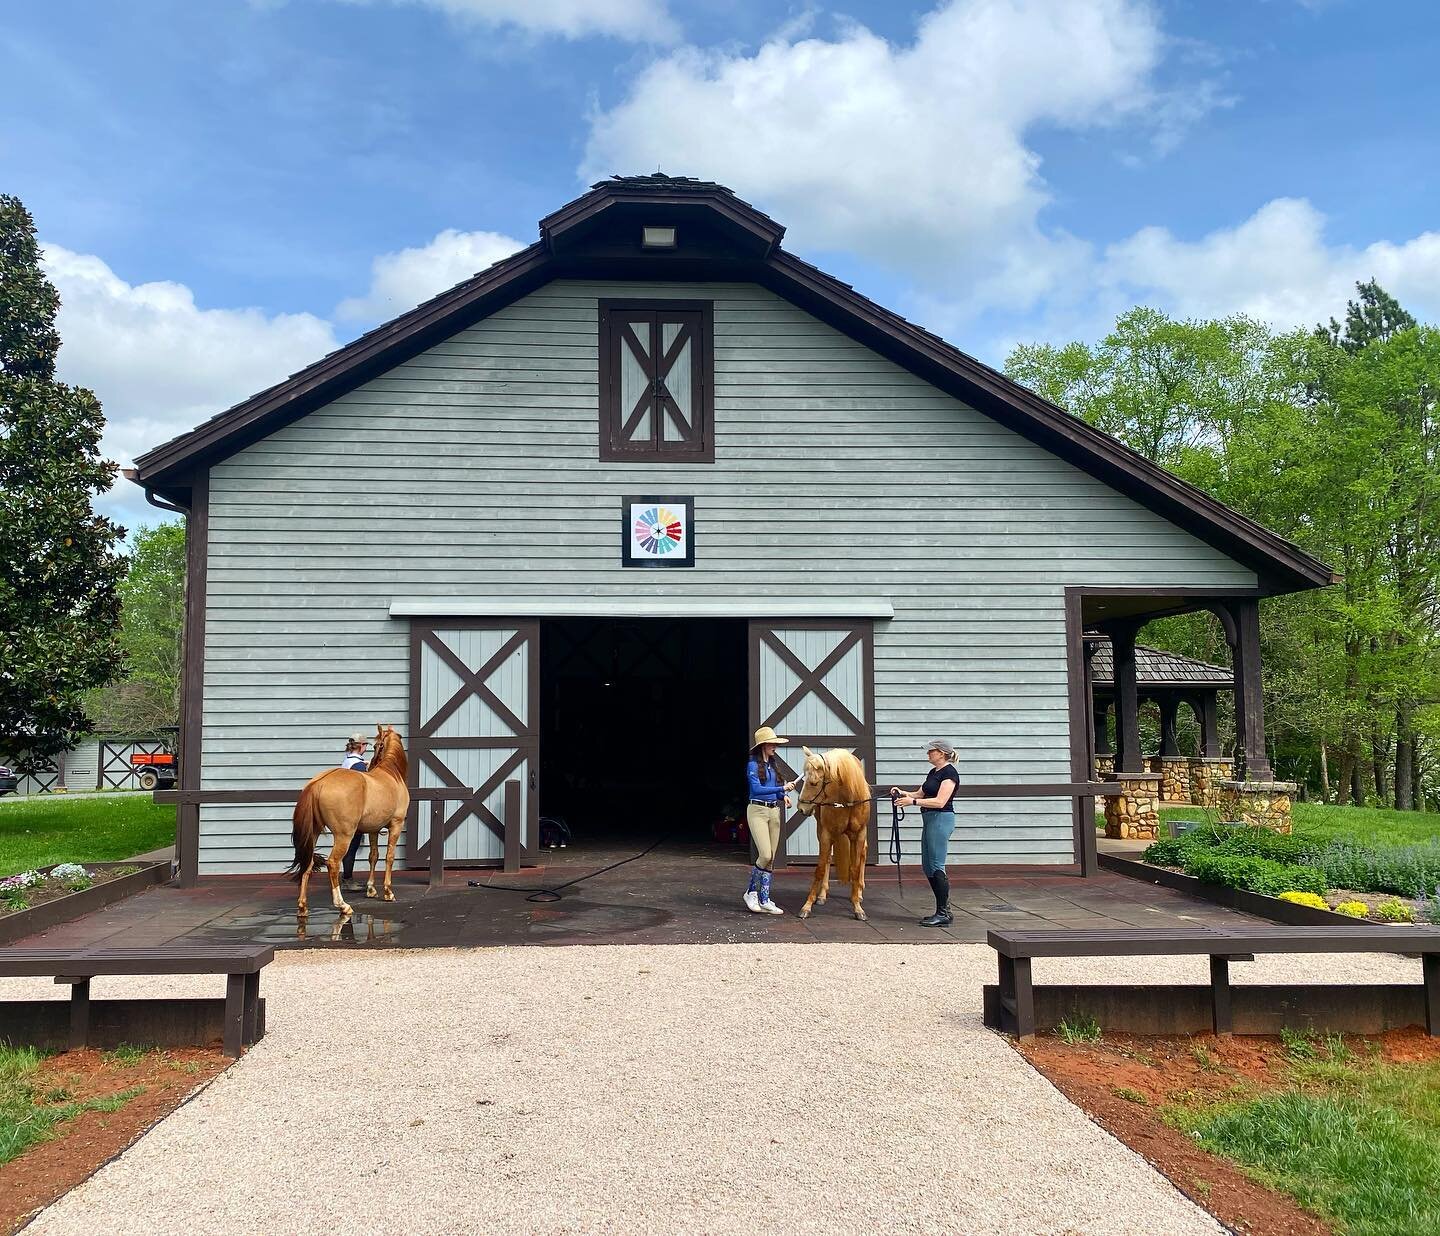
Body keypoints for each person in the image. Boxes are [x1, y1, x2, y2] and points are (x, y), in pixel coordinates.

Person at [892, 740, 959, 927]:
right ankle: (942, 910)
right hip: (929, 819)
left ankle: (944, 913)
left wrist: (911, 803)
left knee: (937, 864)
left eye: (932, 751)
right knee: (927, 866)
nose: (928, 753)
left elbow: (940, 801)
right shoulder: (934, 773)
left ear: (942, 753)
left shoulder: (949, 774)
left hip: (940, 819)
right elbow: (920, 794)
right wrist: (902, 793)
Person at [744, 726, 794, 915]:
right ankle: (751, 892)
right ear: (763, 745)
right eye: (772, 743)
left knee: (771, 858)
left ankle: (765, 898)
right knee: (764, 855)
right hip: (757, 810)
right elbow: (756, 790)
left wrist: (782, 795)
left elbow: (774, 789)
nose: (775, 747)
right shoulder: (752, 765)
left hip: (774, 812)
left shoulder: (772, 765)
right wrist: (782, 789)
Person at [339, 732, 369, 891]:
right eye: (365, 746)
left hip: (343, 807)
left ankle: (346, 876)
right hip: (353, 809)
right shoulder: (358, 766)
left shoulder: (346, 761)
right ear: (362, 746)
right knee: (352, 844)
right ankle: (347, 878)